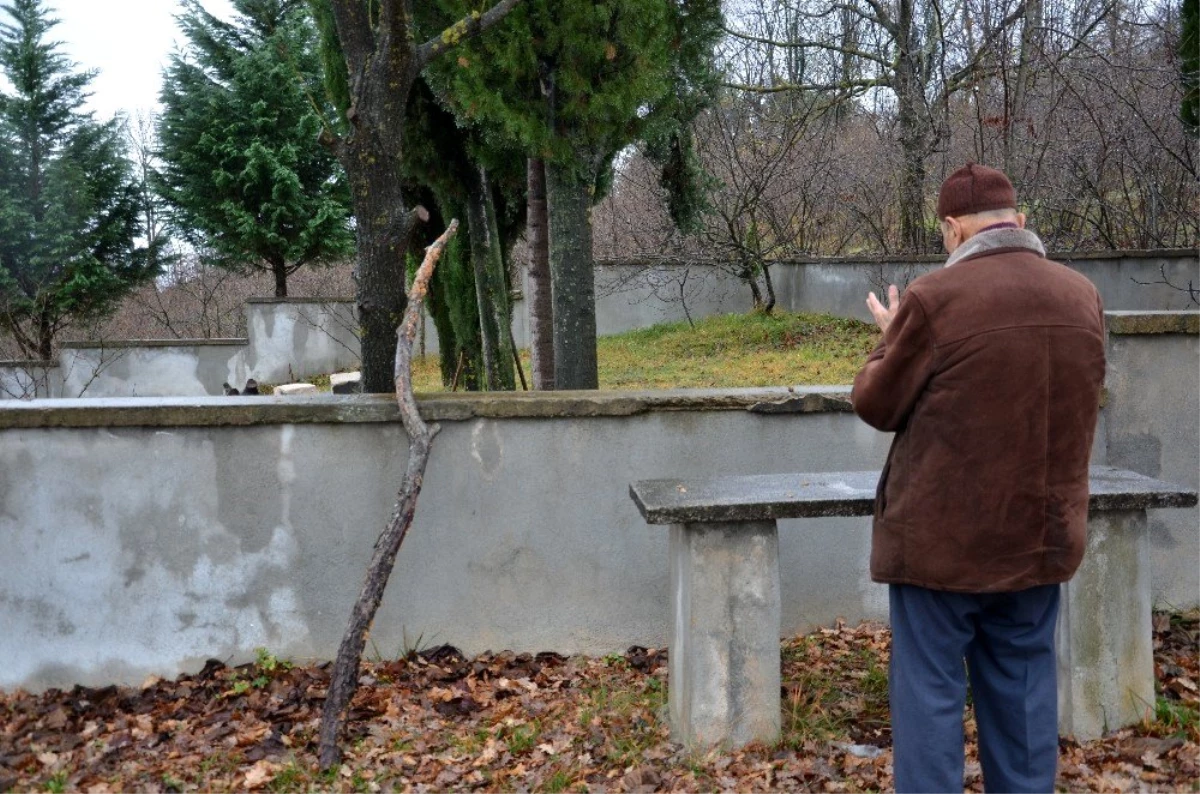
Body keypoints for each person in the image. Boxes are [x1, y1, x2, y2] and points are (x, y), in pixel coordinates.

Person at [851, 163, 1107, 793]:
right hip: (1038, 540)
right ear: (1017, 222)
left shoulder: (935, 300)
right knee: (1023, 704)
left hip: (941, 552)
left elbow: (876, 403)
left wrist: (891, 339)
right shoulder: (1082, 296)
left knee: (932, 705)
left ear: (951, 230)